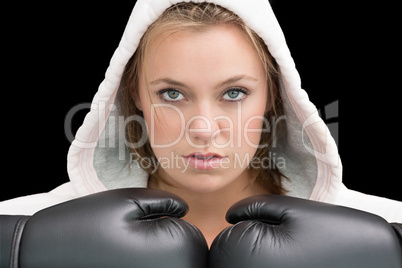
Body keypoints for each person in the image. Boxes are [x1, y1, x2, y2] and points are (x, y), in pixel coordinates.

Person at [1, 0, 401, 247]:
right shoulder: (25, 230)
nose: (204, 129)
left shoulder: (384, 231)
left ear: (275, 95)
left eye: (234, 93)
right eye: (172, 94)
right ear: (135, 94)